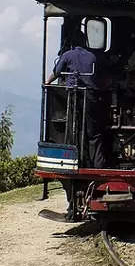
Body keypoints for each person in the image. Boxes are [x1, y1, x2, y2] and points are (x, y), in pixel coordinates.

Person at [45, 29, 107, 169]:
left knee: (75, 128)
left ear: (71, 42)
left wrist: (47, 83)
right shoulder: (93, 57)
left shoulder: (68, 55)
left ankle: (76, 162)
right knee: (94, 133)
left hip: (73, 96)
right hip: (90, 96)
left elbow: (57, 72)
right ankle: (97, 165)